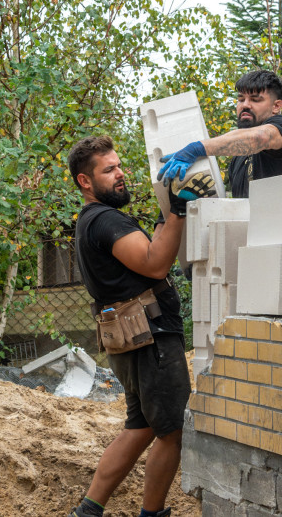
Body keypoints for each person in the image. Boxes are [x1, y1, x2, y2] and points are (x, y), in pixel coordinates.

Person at [67, 135, 208, 517]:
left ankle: (88, 511)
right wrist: (178, 211)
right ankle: (152, 514)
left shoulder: (91, 221)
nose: (120, 174)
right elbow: (154, 263)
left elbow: (151, 248)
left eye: (119, 166)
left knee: (141, 425)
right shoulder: (105, 220)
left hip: (128, 337)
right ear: (85, 181)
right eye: (108, 170)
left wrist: (167, 210)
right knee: (172, 430)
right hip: (150, 337)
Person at [157, 69, 282, 198]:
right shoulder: (238, 159)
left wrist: (197, 148)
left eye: (255, 100)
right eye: (241, 99)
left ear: (276, 106)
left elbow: (260, 137)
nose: (245, 105)